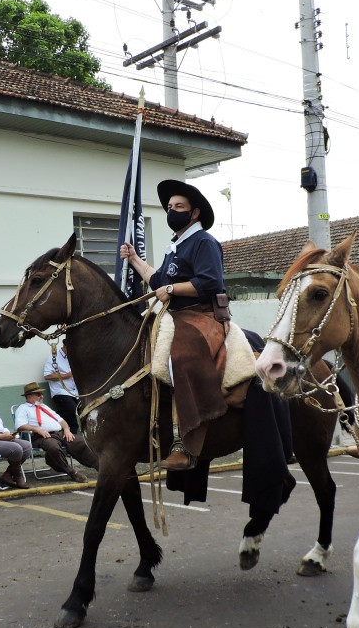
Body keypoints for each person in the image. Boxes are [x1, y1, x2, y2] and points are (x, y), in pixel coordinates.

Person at [120, 179, 229, 470]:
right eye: (169, 207)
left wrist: (171, 290)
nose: (172, 211)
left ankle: (185, 442)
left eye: (178, 207)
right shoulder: (175, 246)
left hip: (201, 315)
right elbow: (158, 281)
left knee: (178, 357)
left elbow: (210, 282)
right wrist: (134, 260)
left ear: (194, 213)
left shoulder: (203, 241)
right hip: (175, 315)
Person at [13, 382, 99, 482]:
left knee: (80, 442)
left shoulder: (44, 407)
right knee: (53, 447)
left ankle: (99, 467)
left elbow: (61, 420)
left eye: (41, 394)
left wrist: (67, 429)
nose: (42, 396)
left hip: (59, 433)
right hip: (41, 436)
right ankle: (71, 472)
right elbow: (20, 426)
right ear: (29, 396)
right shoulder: (23, 408)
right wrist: (37, 429)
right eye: (38, 394)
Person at [43, 340, 79, 433]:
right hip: (60, 391)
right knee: (73, 411)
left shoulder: (73, 357)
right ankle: (51, 419)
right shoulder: (53, 357)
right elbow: (47, 376)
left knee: (74, 414)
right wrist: (67, 375)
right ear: (65, 346)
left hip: (74, 392)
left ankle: (71, 437)